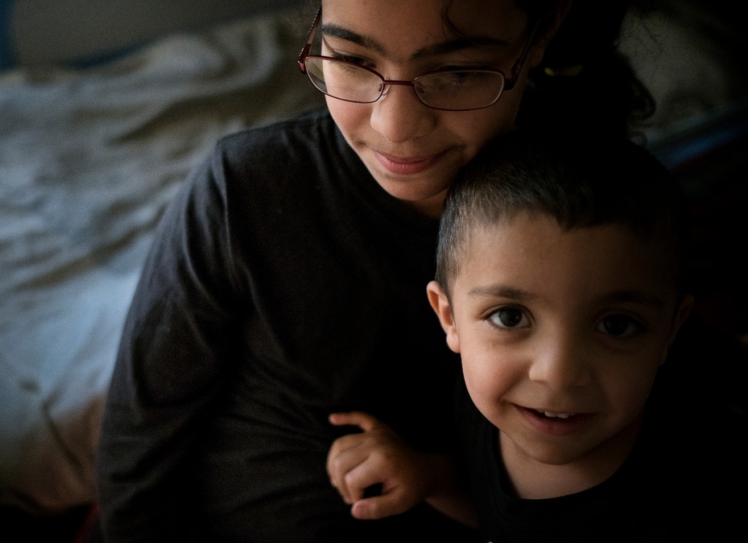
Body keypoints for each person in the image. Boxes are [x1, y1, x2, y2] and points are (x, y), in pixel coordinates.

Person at [96, 1, 655, 541]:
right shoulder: (247, 192)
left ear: (542, 30)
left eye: (456, 72)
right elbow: (138, 452)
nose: (395, 127)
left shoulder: (598, 219)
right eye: (354, 62)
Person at [326, 131, 747, 541]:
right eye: (509, 317)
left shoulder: (694, 498)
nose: (557, 374)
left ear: (671, 329)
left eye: (616, 325)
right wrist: (429, 477)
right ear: (450, 318)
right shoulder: (474, 405)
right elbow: (507, 517)